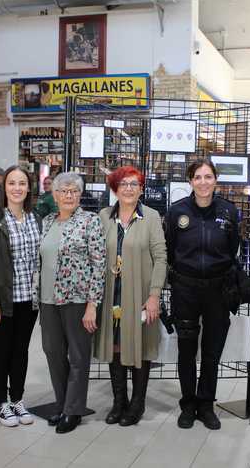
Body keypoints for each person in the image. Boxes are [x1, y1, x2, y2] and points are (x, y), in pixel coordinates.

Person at [165, 158, 241, 431]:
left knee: (211, 352)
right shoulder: (177, 212)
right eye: (198, 177)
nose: (203, 182)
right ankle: (188, 405)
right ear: (190, 181)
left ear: (215, 180)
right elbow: (170, 249)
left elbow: (233, 249)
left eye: (208, 177)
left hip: (218, 291)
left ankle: (206, 404)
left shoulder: (229, 212)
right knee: (186, 350)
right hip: (185, 289)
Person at [95, 166, 167, 427]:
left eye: (134, 184)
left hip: (140, 296)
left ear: (141, 189)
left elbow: (160, 258)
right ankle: (119, 401)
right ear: (114, 188)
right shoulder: (103, 216)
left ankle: (137, 403)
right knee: (115, 347)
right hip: (111, 296)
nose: (128, 188)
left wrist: (154, 295)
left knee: (140, 347)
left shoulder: (151, 217)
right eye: (123, 184)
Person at [35, 172, 105, 434]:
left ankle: (73, 410)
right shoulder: (47, 221)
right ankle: (63, 404)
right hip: (48, 300)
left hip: (77, 299)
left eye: (74, 191)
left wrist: (92, 304)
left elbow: (99, 265)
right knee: (53, 352)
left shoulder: (90, 221)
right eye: (63, 191)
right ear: (54, 195)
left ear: (79, 195)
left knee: (78, 355)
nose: (68, 195)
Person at [0, 165, 42, 427]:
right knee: (1, 349)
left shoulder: (35, 218)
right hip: (1, 300)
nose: (17, 188)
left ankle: (17, 400)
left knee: (21, 350)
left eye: (22, 183)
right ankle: (1, 402)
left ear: (29, 188)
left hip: (29, 298)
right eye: (12, 183)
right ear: (4, 188)